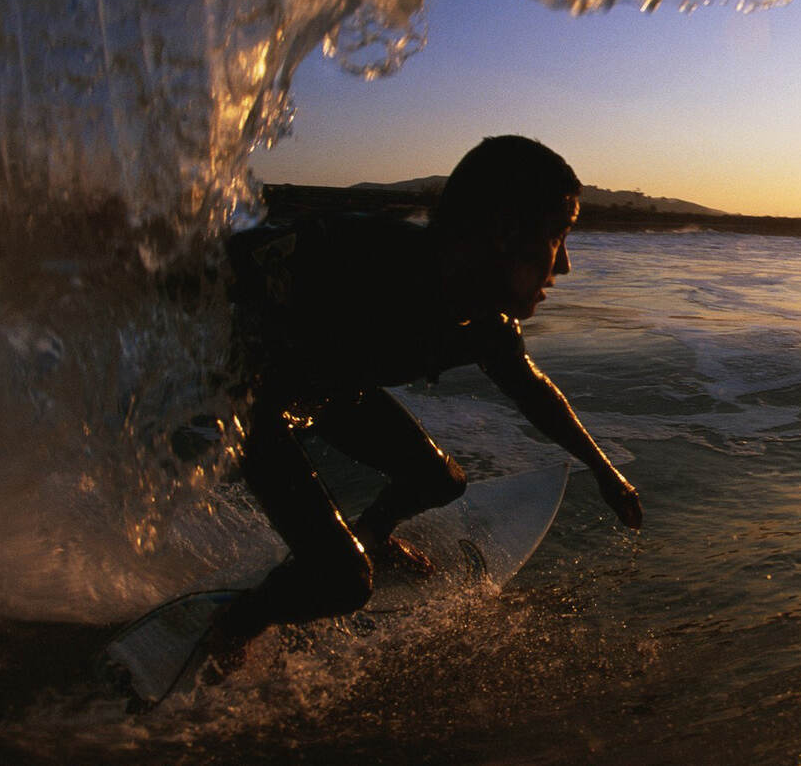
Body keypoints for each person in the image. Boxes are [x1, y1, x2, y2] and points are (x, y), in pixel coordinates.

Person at [207, 135, 639, 667]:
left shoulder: (482, 317)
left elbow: (532, 390)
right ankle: (235, 624)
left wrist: (603, 469)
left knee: (441, 480)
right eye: (558, 236)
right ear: (504, 234)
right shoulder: (359, 258)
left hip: (324, 384)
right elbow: (220, 268)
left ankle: (373, 536)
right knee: (344, 582)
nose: (566, 265)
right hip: (247, 394)